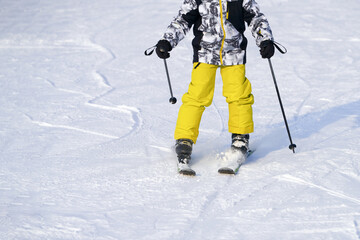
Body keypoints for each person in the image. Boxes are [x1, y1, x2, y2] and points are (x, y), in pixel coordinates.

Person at [155, 0, 275, 173]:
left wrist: (265, 40)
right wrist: (167, 41)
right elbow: (183, 20)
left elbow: (256, 17)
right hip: (204, 53)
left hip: (234, 53)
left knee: (239, 94)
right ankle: (184, 140)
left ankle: (240, 138)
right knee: (197, 96)